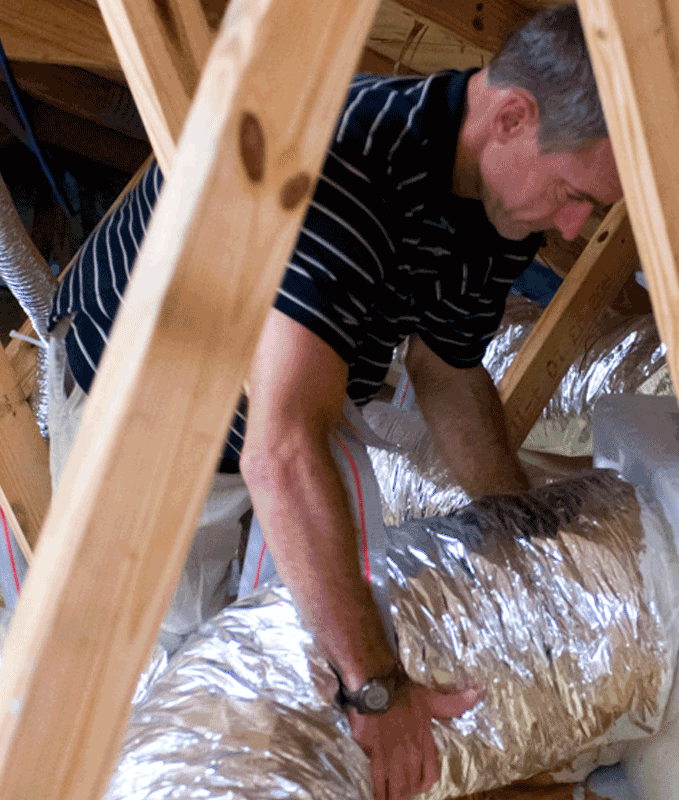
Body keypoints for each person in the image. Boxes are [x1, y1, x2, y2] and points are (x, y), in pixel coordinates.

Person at [46, 4, 621, 799]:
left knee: (317, 642)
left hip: (285, 397)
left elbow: (449, 375)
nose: (568, 227)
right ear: (512, 117)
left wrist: (525, 550)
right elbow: (280, 455)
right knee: (170, 676)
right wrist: (376, 689)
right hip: (144, 404)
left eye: (589, 208)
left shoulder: (501, 202)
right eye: (572, 194)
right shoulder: (349, 169)